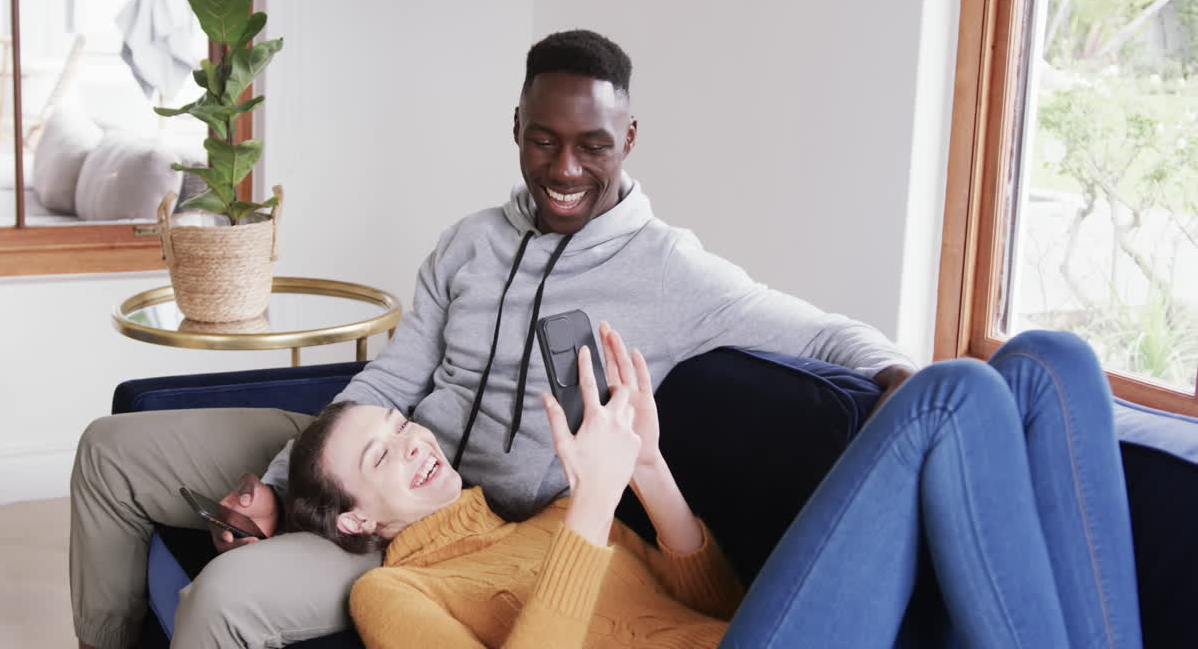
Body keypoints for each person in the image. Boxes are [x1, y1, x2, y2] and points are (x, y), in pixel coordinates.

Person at [69, 30, 917, 648]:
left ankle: (318, 516)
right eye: (545, 140)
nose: (566, 169)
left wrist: (898, 376)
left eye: (592, 145)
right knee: (109, 453)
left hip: (445, 524)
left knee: (226, 597)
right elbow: (396, 374)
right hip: (379, 456)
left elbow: (823, 332)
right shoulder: (469, 242)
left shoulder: (669, 272)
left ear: (628, 139)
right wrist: (296, 477)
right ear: (516, 127)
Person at [287, 323, 1142, 649]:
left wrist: (651, 474)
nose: (413, 446)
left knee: (1048, 363)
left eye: (402, 427)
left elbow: (720, 602)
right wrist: (594, 501)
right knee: (951, 395)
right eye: (380, 458)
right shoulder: (394, 592)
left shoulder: (552, 514)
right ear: (357, 521)